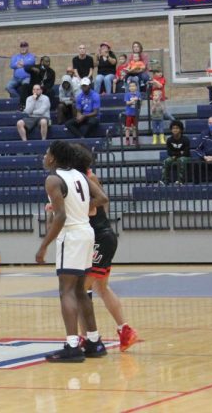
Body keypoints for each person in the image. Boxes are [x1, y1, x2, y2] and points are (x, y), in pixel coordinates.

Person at [35, 141, 109, 362]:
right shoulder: (80, 175)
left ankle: (72, 345)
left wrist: (44, 245)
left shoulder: (53, 179)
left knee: (65, 291)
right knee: (81, 291)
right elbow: (102, 198)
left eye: (47, 154)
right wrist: (79, 208)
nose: (44, 157)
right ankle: (94, 342)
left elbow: (60, 217)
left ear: (53, 158)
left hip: (72, 235)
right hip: (87, 232)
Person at [68, 144, 139, 351]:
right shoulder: (82, 178)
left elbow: (94, 207)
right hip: (99, 236)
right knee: (99, 287)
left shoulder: (89, 178)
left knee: (80, 289)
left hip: (99, 237)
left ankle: (87, 337)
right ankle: (124, 330)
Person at [161, 120, 190, 185]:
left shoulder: (185, 139)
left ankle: (180, 181)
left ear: (181, 129)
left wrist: (176, 154)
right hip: (174, 157)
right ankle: (165, 181)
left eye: (177, 128)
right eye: (173, 128)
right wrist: (179, 153)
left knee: (181, 159)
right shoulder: (169, 140)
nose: (175, 130)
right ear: (171, 130)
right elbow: (169, 152)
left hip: (186, 158)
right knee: (166, 161)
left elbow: (186, 152)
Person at [123, 82, 141, 147]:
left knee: (134, 128)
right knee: (127, 128)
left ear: (136, 87)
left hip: (135, 114)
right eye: (130, 86)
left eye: (133, 86)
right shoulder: (127, 94)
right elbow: (127, 103)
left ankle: (134, 139)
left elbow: (139, 103)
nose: (132, 87)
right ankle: (127, 139)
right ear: (129, 88)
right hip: (128, 113)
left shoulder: (138, 94)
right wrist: (133, 101)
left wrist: (138, 100)